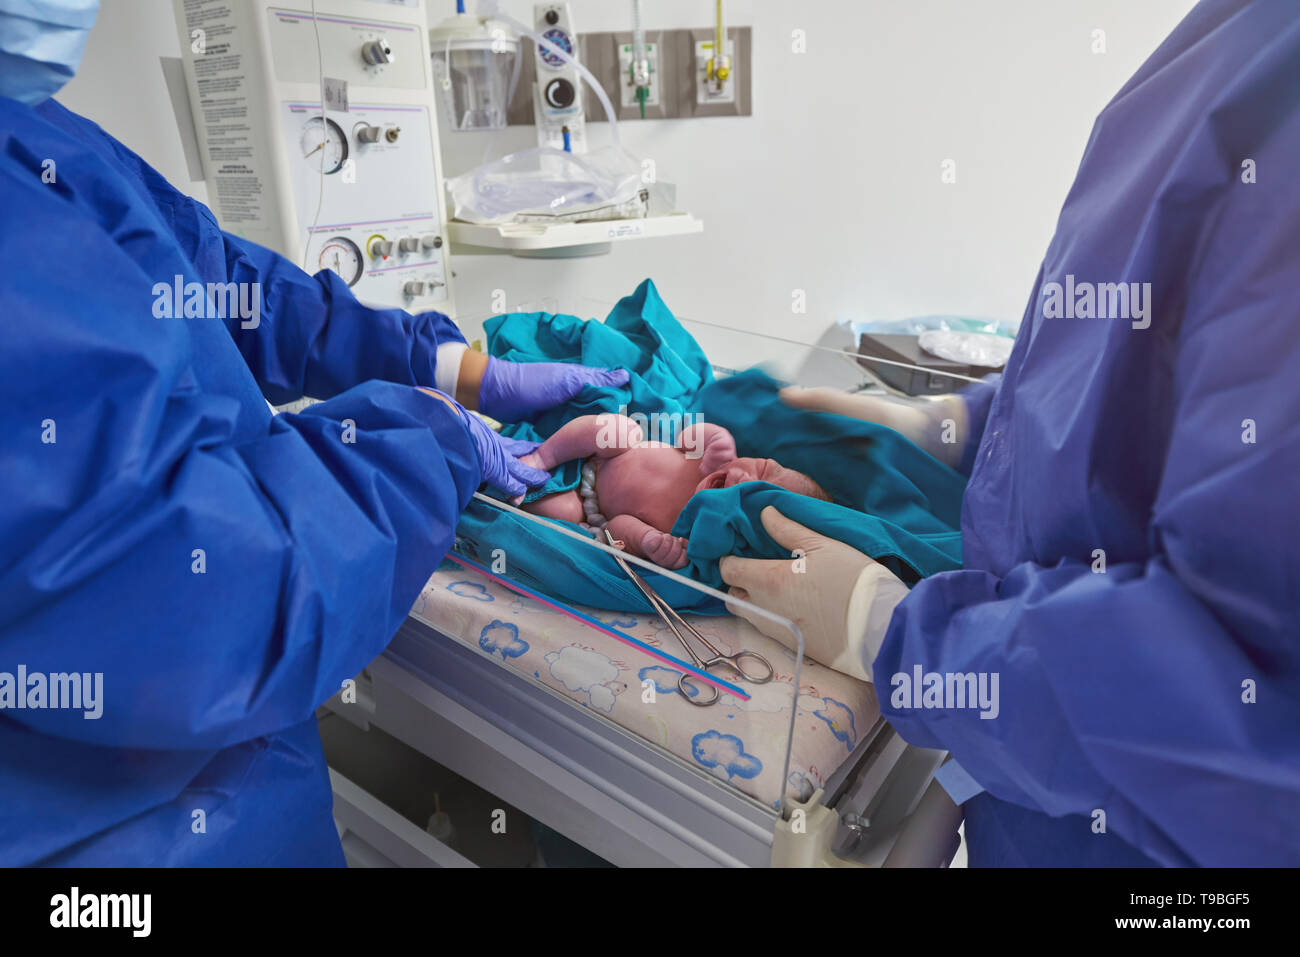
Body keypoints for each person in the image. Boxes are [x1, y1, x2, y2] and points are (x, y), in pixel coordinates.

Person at [0, 0, 628, 865]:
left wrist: (451, 368)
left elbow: (206, 273)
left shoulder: (36, 129)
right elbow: (198, 593)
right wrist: (427, 441)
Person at [721, 0, 1300, 866]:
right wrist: (969, 423)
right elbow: (1132, 355)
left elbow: (1229, 711)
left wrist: (896, 636)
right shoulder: (1238, 38)